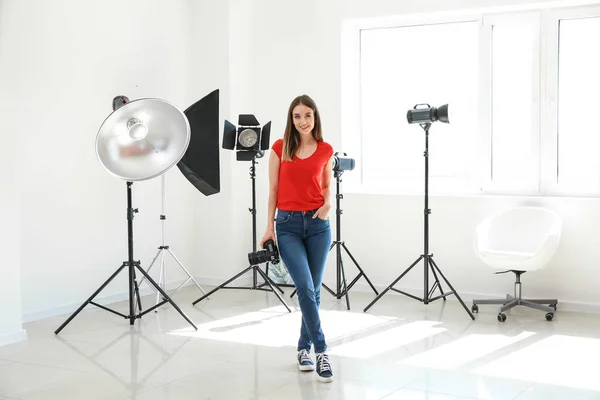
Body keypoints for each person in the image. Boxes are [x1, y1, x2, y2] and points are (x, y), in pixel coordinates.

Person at [260, 94, 334, 383]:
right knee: (304, 287)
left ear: (315, 118)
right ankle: (321, 350)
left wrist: (328, 204)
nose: (302, 121)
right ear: (290, 120)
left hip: (318, 225)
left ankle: (303, 348)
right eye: (296, 116)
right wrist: (269, 227)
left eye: (307, 115)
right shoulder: (280, 148)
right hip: (288, 224)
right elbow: (273, 191)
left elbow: (327, 185)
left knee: (314, 291)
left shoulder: (326, 149)